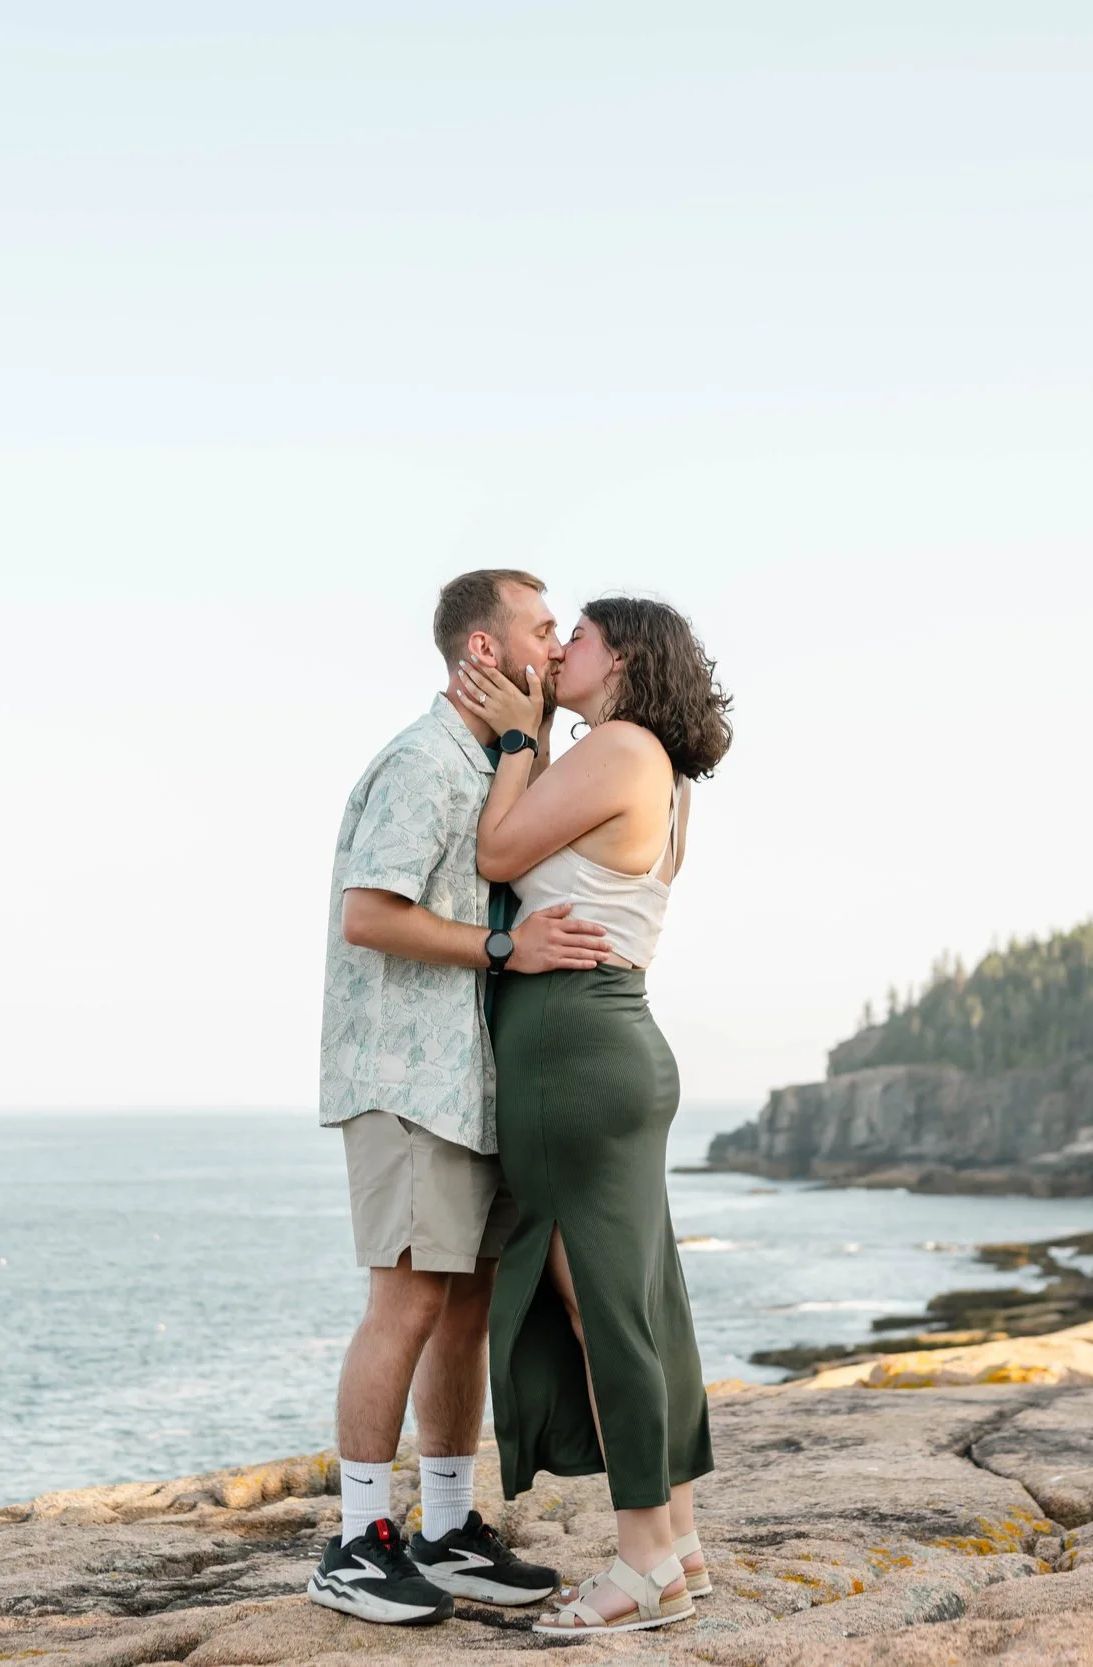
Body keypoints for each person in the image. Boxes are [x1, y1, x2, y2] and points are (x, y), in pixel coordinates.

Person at [307, 569, 613, 1627]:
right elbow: (370, 916)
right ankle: (353, 1541)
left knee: (466, 1304)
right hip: (404, 1078)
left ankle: (443, 1526)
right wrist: (503, 946)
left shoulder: (494, 767)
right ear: (485, 651)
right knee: (408, 1302)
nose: (554, 646)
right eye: (540, 629)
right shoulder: (421, 762)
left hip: (468, 1083)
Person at [451, 595, 734, 1638]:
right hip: (609, 1042)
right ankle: (681, 1543)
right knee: (640, 1300)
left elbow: (494, 853)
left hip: (573, 1050)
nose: (558, 647)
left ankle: (643, 1562)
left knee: (602, 1308)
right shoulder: (651, 763)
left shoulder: (614, 745)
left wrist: (521, 735)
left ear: (621, 662)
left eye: (580, 639)